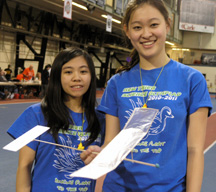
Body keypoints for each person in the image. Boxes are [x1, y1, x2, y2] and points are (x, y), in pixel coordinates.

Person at [81, 0, 212, 192]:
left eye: (154, 24)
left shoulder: (192, 80)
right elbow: (111, 141)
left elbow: (194, 150)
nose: (146, 34)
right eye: (137, 27)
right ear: (127, 31)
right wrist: (100, 154)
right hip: (117, 187)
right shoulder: (116, 83)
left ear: (167, 25)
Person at [7, 47, 105, 192]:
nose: (76, 77)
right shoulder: (36, 114)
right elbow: (24, 166)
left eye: (83, 71)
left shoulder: (102, 120)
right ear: (58, 76)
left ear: (91, 76)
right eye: (68, 72)